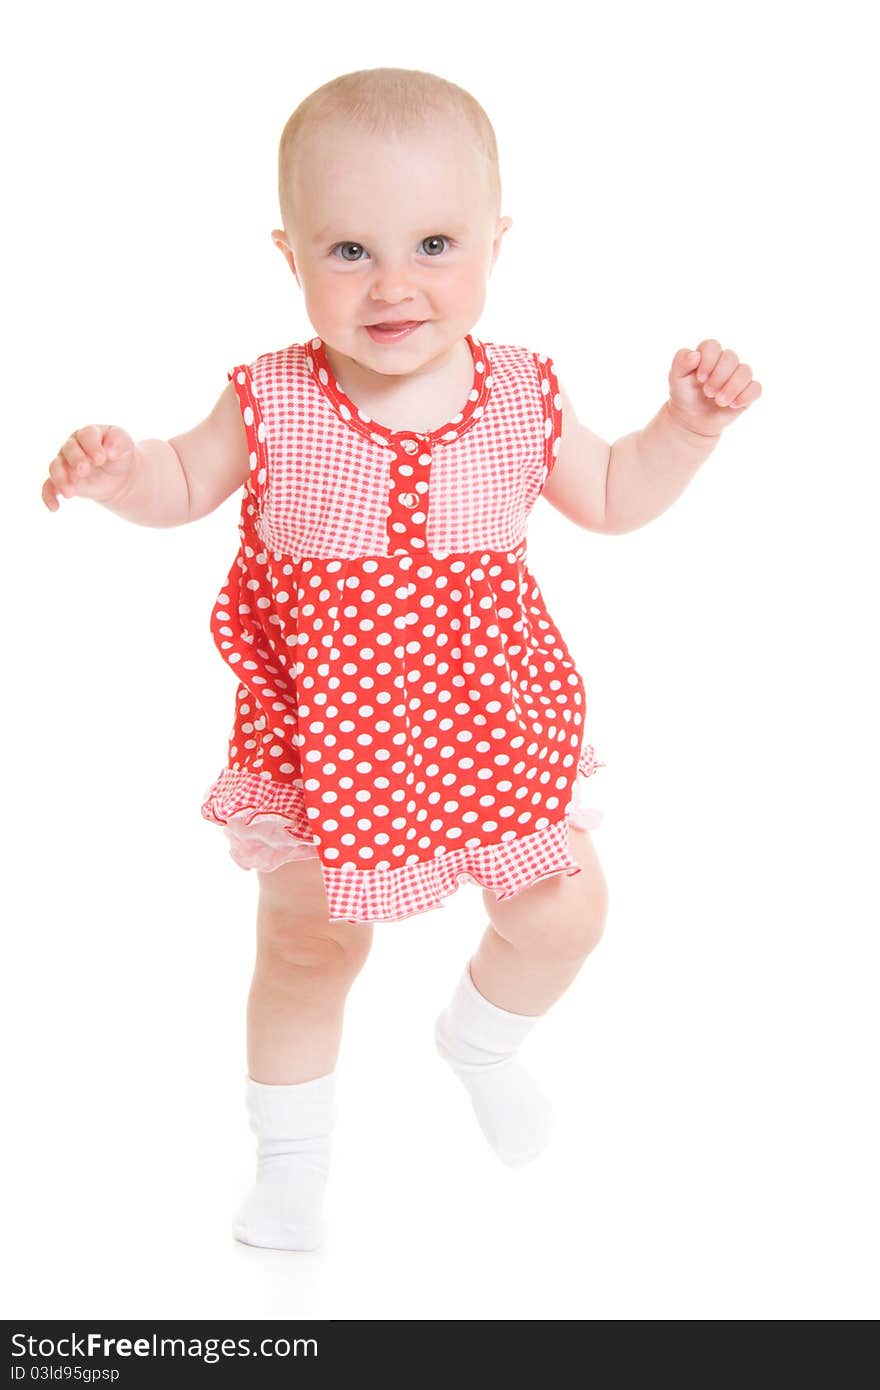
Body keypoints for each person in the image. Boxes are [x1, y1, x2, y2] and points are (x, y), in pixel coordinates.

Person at [40, 67, 761, 1253]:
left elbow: (616, 495)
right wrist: (122, 475)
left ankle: (478, 1039)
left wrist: (682, 430)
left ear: (495, 240)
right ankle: (289, 1166)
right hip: (329, 739)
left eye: (433, 243)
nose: (393, 285)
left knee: (568, 909)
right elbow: (179, 479)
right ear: (290, 257)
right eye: (348, 250)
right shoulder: (272, 395)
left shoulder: (519, 391)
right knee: (310, 942)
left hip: (487, 723)